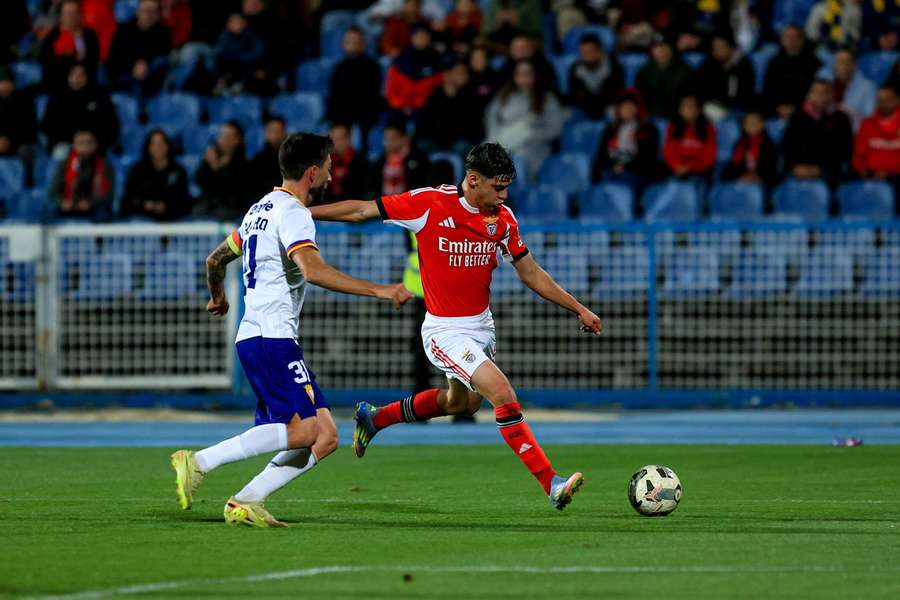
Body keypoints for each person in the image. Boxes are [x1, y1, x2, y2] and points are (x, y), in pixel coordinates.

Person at [309, 142, 603, 510]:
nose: (504, 195)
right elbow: (361, 210)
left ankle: (374, 418)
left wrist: (578, 308)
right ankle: (551, 483)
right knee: (503, 394)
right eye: (498, 187)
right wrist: (302, 209)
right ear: (473, 180)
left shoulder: (503, 219)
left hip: (481, 327)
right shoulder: (429, 203)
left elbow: (530, 273)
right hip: (444, 331)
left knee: (460, 403)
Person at [170, 133, 412, 528]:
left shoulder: (257, 211)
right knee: (303, 432)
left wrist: (218, 298)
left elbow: (215, 259)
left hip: (262, 337)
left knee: (326, 436)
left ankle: (246, 500)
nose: (331, 179)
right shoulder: (294, 212)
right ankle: (198, 462)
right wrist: (379, 290)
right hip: (271, 338)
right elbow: (313, 271)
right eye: (330, 170)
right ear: (312, 172)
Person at [484, 59, 566, 177]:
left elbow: (555, 127)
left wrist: (533, 135)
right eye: (520, 74)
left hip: (533, 147)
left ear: (534, 76)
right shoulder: (503, 97)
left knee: (518, 156)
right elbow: (492, 120)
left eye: (527, 73)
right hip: (503, 141)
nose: (523, 77)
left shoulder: (547, 99)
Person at [782, 78, 853, 186]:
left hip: (828, 172)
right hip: (798, 170)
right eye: (816, 92)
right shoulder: (797, 117)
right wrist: (795, 167)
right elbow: (788, 146)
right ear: (809, 95)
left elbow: (844, 151)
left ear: (831, 95)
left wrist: (819, 169)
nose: (820, 96)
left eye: (824, 92)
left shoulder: (841, 119)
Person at [41, 63, 119, 157]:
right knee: (60, 153)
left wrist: (93, 139)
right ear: (68, 76)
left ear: (87, 77)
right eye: (73, 74)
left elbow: (111, 123)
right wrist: (75, 138)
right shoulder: (58, 97)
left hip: (94, 144)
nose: (77, 78)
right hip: (66, 143)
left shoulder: (99, 95)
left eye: (81, 75)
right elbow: (47, 125)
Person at [591, 88, 660, 193]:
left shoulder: (649, 129)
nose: (628, 109)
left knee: (621, 185)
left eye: (632, 106)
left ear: (638, 108)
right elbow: (600, 158)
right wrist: (612, 166)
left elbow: (649, 160)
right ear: (618, 109)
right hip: (611, 171)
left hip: (636, 174)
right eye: (625, 106)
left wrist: (626, 166)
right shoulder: (609, 130)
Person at [326, 27, 384, 141]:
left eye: (356, 41)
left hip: (364, 114)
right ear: (343, 44)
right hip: (342, 115)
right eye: (349, 41)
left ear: (362, 44)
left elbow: (372, 95)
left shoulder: (372, 67)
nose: (352, 45)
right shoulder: (338, 67)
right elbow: (334, 94)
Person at [415, 60, 483, 155]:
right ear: (447, 75)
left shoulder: (471, 98)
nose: (465, 77)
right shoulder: (434, 96)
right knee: (420, 145)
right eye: (460, 73)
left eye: (465, 73)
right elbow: (424, 126)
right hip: (435, 141)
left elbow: (473, 130)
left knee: (463, 147)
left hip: (459, 143)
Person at [105, 0, 172, 96]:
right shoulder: (123, 30)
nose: (150, 15)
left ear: (158, 14)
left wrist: (145, 63)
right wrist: (133, 66)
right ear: (138, 11)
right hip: (125, 81)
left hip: (152, 83)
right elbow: (112, 60)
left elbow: (163, 56)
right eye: (146, 11)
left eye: (154, 11)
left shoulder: (164, 33)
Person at [122, 128, 191, 220]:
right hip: (143, 219)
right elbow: (129, 198)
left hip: (172, 219)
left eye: (160, 144)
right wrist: (144, 204)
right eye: (153, 144)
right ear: (148, 148)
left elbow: (183, 200)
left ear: (167, 146)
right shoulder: (137, 170)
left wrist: (166, 206)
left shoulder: (179, 171)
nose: (157, 147)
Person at [50, 129, 115, 219]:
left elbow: (108, 195)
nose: (85, 147)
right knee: (50, 210)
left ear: (96, 144)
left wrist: (90, 202)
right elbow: (53, 193)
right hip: (69, 208)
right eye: (80, 143)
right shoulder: (65, 165)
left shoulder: (104, 165)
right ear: (74, 145)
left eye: (89, 143)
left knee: (103, 212)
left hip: (95, 209)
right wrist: (62, 202)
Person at [193, 121, 251, 222]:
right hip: (209, 203)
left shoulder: (244, 163)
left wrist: (216, 168)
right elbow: (198, 179)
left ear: (237, 140)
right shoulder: (211, 158)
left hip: (231, 207)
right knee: (197, 211)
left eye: (228, 136)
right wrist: (210, 165)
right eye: (221, 135)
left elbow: (230, 188)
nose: (223, 140)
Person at [38, 0, 101, 91]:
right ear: (60, 17)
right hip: (58, 84)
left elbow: (93, 61)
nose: (70, 17)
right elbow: (47, 63)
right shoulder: (53, 35)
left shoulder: (90, 35)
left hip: (85, 83)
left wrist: (80, 68)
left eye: (73, 14)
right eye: (66, 14)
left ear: (80, 16)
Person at [384, 22, 445, 116]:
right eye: (417, 34)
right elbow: (391, 92)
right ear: (411, 37)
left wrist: (417, 105)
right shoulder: (400, 59)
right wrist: (403, 104)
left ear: (430, 37)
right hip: (400, 108)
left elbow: (437, 87)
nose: (421, 37)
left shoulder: (437, 59)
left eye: (424, 34)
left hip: (427, 109)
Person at [762, 24, 822, 118]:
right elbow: (768, 89)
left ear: (802, 40)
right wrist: (778, 108)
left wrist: (797, 109)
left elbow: (814, 91)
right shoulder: (774, 63)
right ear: (782, 40)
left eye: (794, 37)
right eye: (787, 37)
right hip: (776, 111)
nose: (791, 40)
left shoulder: (813, 62)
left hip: (804, 112)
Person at [852, 86, 900, 198]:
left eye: (887, 99)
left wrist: (888, 172)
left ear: (897, 100)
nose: (882, 103)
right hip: (871, 176)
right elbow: (858, 155)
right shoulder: (867, 123)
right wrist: (865, 172)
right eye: (879, 100)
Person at [696, 32, 756, 118]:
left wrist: (730, 70)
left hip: (738, 108)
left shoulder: (743, 64)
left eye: (721, 46)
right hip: (715, 105)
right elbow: (703, 89)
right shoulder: (708, 64)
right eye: (714, 47)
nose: (717, 50)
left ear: (730, 47)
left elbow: (746, 92)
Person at [366, 117, 431, 197]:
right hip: (384, 205)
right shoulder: (380, 161)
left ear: (404, 138)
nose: (387, 143)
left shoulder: (419, 158)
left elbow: (423, 186)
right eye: (386, 139)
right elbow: (372, 188)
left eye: (392, 139)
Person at [567, 32, 624, 120]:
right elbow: (574, 96)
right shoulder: (575, 69)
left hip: (608, 106)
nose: (586, 56)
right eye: (583, 53)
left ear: (600, 51)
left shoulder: (614, 67)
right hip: (585, 108)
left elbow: (616, 93)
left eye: (589, 52)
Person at [635, 35, 695, 119]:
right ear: (652, 50)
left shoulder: (685, 70)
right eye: (657, 47)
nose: (661, 50)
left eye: (664, 47)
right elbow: (640, 95)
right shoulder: (644, 70)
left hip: (678, 116)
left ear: (671, 49)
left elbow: (688, 96)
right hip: (651, 115)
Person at [663, 94, 717, 179]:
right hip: (677, 171)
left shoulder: (708, 129)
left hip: (699, 173)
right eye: (684, 106)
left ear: (698, 110)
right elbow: (669, 152)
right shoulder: (673, 127)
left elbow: (709, 157)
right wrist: (676, 166)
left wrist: (690, 167)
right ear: (680, 110)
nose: (687, 109)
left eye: (691, 106)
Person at [720, 109, 778, 188]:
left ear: (762, 125)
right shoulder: (740, 144)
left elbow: (771, 168)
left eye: (755, 123)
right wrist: (739, 177)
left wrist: (758, 178)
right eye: (748, 123)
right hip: (741, 178)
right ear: (743, 126)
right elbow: (734, 164)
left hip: (761, 181)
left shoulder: (768, 145)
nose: (751, 126)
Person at [824, 49, 876, 129]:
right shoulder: (825, 82)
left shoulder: (868, 87)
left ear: (854, 64)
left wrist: (851, 114)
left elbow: (871, 118)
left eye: (847, 62)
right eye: (839, 62)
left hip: (855, 133)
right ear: (834, 65)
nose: (843, 66)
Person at [0, 66, 38, 160]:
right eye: (1, 82)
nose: (4, 85)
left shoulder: (24, 100)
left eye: (7, 82)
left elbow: (30, 129)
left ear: (13, 84)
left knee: (26, 150)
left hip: (18, 143)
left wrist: (9, 141)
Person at [325, 122, 368, 202]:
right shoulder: (324, 163)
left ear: (349, 139)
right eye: (332, 139)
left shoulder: (362, 163)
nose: (335, 143)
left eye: (339, 138)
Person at [249, 116, 287, 198]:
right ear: (265, 133)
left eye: (278, 131)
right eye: (271, 131)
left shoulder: (291, 158)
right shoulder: (257, 160)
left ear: (284, 132)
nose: (274, 135)